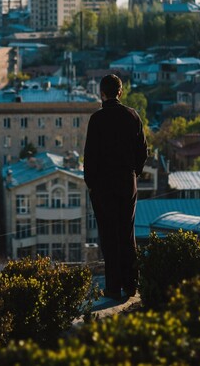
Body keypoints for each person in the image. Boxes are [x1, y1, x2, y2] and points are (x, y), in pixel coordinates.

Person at [84, 74, 148, 300]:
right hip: (126, 182)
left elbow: (90, 157)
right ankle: (132, 285)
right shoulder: (133, 116)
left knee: (109, 236)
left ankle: (113, 287)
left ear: (102, 93)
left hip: (103, 185)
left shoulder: (97, 119)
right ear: (120, 92)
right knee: (126, 234)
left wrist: (91, 185)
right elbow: (143, 152)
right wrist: (133, 173)